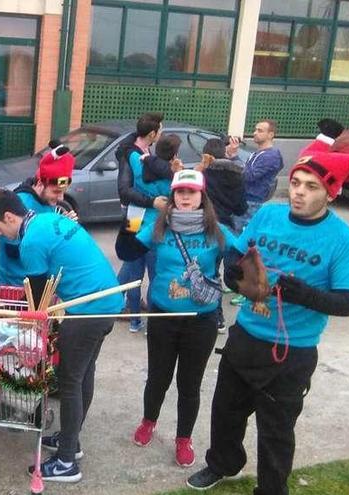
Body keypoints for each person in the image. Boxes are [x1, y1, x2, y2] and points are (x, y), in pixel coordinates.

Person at [187, 152, 349, 493]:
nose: (298, 192)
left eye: (311, 187)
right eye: (296, 183)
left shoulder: (343, 239)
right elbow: (236, 252)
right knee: (225, 412)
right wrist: (235, 271)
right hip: (247, 335)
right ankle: (222, 463)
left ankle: (271, 488)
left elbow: (347, 303)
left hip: (290, 351)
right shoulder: (268, 214)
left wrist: (302, 294)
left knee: (276, 430)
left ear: (331, 192)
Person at [0, 189, 124, 483]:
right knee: (83, 374)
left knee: (70, 380)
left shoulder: (30, 240)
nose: (0, 233)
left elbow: (36, 300)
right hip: (107, 300)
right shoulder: (46, 220)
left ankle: (66, 462)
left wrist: (18, 321)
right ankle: (72, 441)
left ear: (9, 217)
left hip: (88, 309)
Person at [116, 169, 237, 468]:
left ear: (201, 197)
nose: (184, 197)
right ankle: (148, 421)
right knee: (158, 377)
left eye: (191, 192)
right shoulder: (159, 227)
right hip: (163, 315)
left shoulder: (216, 231)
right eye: (179, 192)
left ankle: (184, 438)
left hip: (201, 320)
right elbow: (127, 252)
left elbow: (244, 257)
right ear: (172, 197)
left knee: (189, 383)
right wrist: (129, 222)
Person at [0, 140, 78, 286]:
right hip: (15, 285)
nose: (61, 198)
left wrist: (62, 227)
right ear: (40, 184)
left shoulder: (47, 201)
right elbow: (12, 251)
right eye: (56, 192)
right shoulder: (19, 204)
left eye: (63, 192)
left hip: (39, 281)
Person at [116, 112, 167, 333]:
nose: (162, 134)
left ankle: (120, 300)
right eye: (161, 130)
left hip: (138, 215)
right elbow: (124, 191)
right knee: (135, 263)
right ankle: (127, 307)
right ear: (153, 134)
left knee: (132, 263)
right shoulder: (132, 155)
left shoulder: (145, 151)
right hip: (135, 215)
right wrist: (152, 201)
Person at [199, 138, 247, 332]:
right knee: (218, 271)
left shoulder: (203, 174)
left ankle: (211, 313)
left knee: (206, 270)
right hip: (226, 226)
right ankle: (218, 319)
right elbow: (242, 207)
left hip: (206, 226)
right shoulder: (238, 175)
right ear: (225, 153)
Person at [227, 119, 284, 234]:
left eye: (260, 131)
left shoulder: (270, 156)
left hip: (251, 202)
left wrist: (234, 156)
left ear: (271, 135)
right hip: (243, 200)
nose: (255, 133)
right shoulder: (256, 153)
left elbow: (249, 176)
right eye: (255, 130)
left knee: (239, 237)